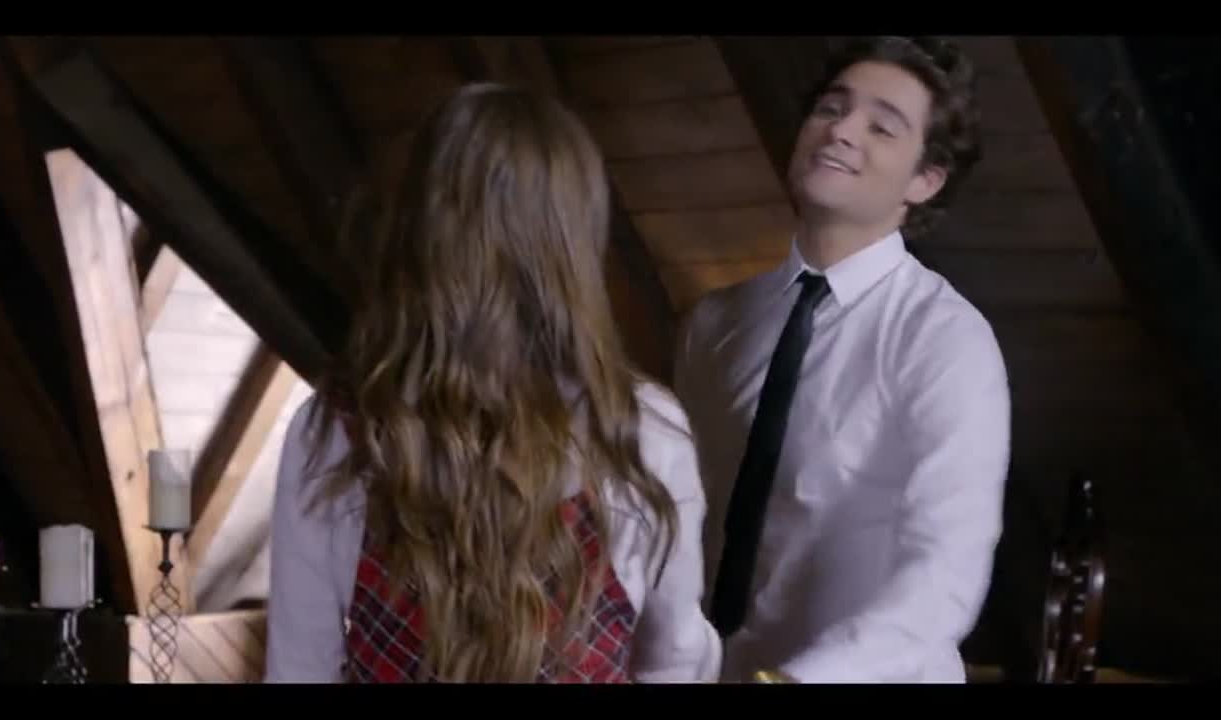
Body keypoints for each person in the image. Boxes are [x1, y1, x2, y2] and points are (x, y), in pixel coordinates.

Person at [265, 82, 722, 683]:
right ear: (574, 239)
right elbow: (675, 664)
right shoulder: (645, 431)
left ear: (419, 229)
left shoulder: (335, 431)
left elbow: (298, 670)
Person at [674, 36, 1010, 683]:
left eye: (882, 126)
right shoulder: (713, 323)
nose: (841, 130)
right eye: (831, 107)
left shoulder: (947, 340)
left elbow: (945, 572)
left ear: (926, 180)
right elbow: (680, 520)